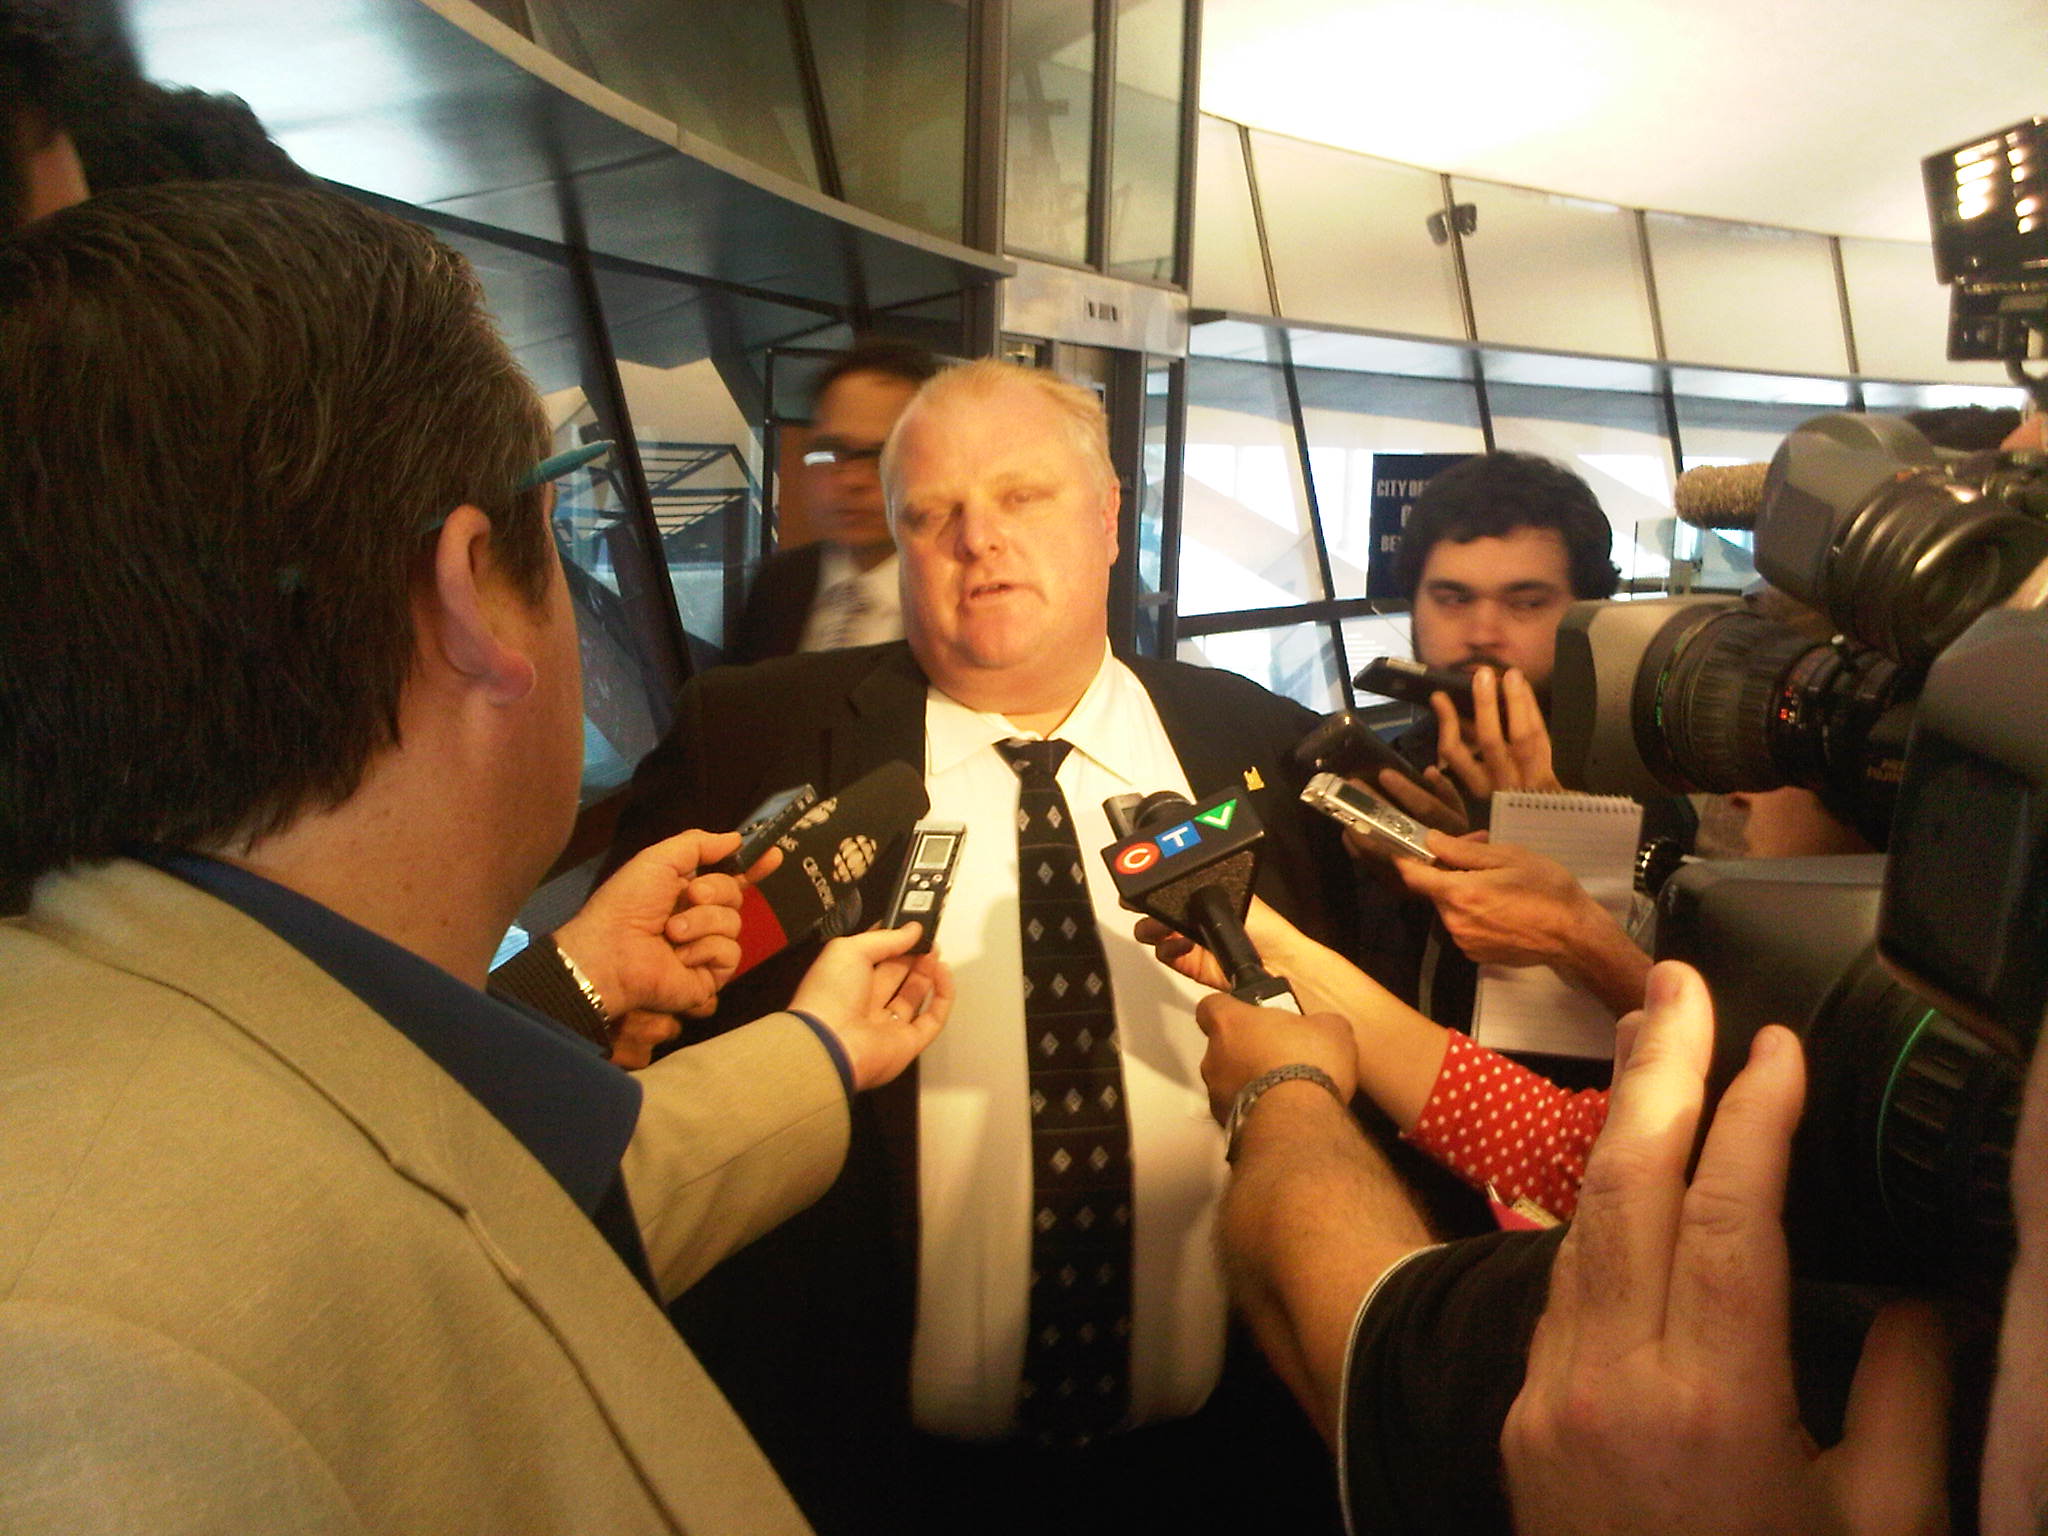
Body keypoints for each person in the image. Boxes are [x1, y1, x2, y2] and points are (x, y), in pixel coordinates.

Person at [0, 181, 955, 1534]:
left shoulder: (127, 1012)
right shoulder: (85, 1389)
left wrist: (577, 994)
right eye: (560, 535)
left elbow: (469, 1200)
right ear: (464, 593)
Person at [603, 358, 1368, 1536]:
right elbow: (622, 1049)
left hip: (1223, 1477)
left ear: (1109, 517)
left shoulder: (1263, 749)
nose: (978, 542)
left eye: (1022, 498)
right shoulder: (747, 740)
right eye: (931, 513)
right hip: (857, 1482)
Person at [726, 338, 939, 663]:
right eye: (831, 451)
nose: (851, 479)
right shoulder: (776, 585)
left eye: (881, 455)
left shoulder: (957, 607)